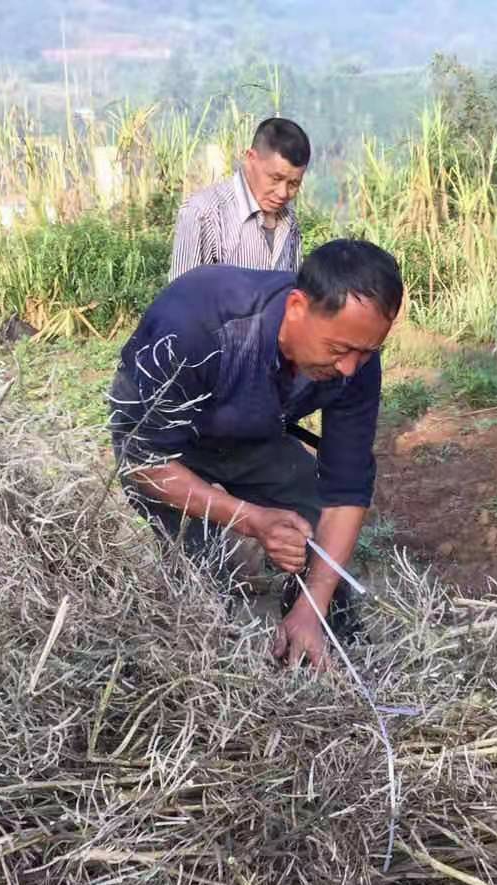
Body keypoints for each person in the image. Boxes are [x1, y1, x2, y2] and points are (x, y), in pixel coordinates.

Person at [110, 238, 403, 669]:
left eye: (367, 352)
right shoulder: (193, 326)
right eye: (339, 350)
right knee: (203, 575)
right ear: (298, 307)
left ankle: (318, 637)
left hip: (253, 430)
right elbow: (146, 464)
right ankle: (209, 659)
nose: (348, 369)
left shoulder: (355, 361)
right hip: (168, 445)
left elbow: (346, 488)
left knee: (313, 518)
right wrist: (251, 519)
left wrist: (313, 603)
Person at [168, 117, 311, 280]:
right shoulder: (203, 214)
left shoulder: (289, 221)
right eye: (275, 178)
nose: (283, 193)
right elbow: (182, 298)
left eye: (293, 183)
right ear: (250, 159)